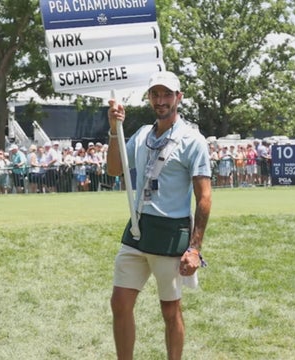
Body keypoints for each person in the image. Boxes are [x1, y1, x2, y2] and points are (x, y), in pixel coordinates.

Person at [106, 71, 212, 360]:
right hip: (137, 230)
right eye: (155, 94)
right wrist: (114, 129)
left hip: (170, 234)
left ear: (179, 97)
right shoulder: (140, 134)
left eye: (167, 94)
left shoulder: (193, 140)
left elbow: (204, 198)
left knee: (169, 309)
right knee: (120, 302)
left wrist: (194, 247)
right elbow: (115, 170)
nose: (161, 100)